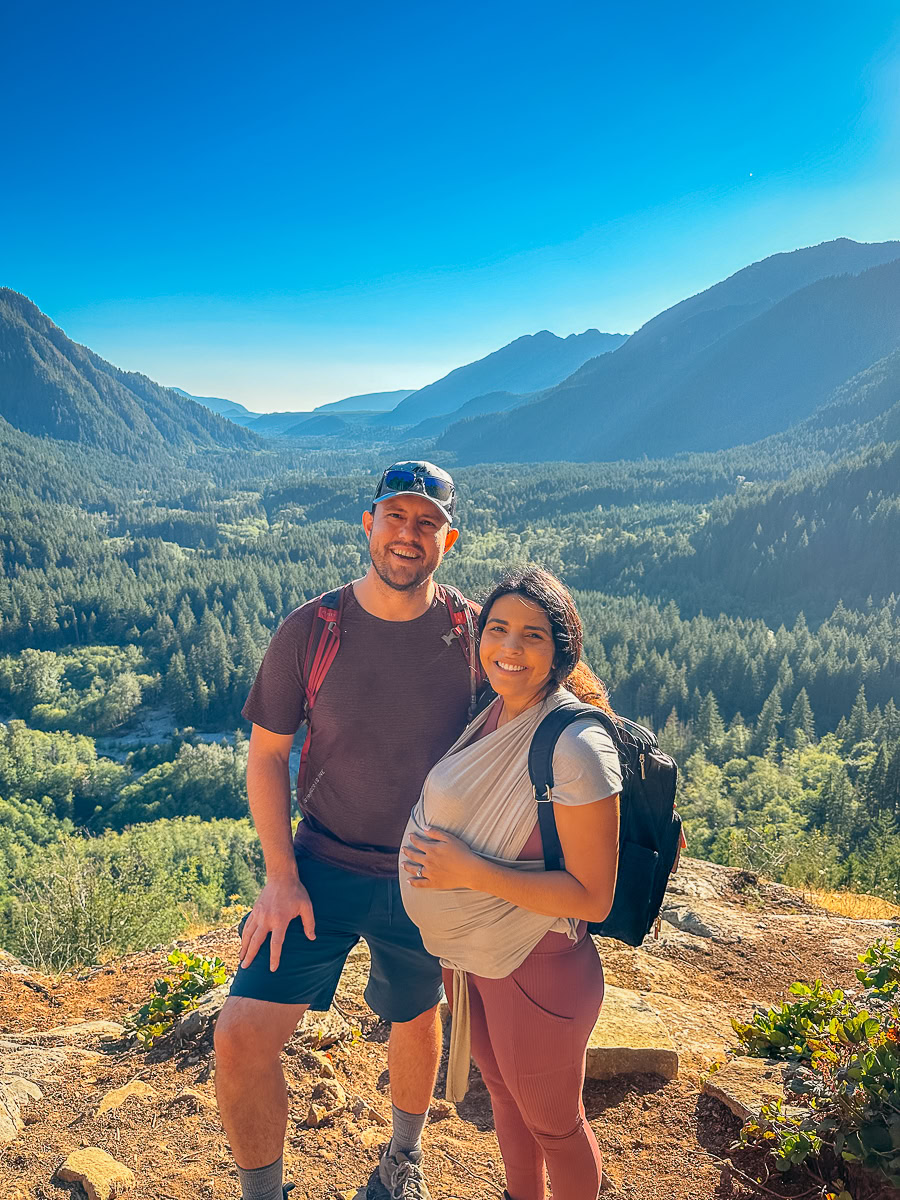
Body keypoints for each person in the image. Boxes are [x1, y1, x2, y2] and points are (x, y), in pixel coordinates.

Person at [214, 461, 481, 1200]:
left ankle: (402, 1160)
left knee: (415, 1012)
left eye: (426, 522)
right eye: (395, 517)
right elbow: (268, 756)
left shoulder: (472, 634)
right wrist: (278, 876)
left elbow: (547, 694)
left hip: (427, 870)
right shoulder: (313, 627)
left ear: (447, 539)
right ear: (368, 524)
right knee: (239, 1039)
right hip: (321, 863)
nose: (408, 534)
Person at [400, 565, 621, 1200]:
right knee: (503, 1093)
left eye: (532, 635)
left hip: (539, 963)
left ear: (561, 650)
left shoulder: (575, 744)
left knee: (555, 1124)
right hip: (475, 958)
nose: (510, 648)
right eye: (497, 630)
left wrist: (467, 873)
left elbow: (591, 896)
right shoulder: (491, 713)